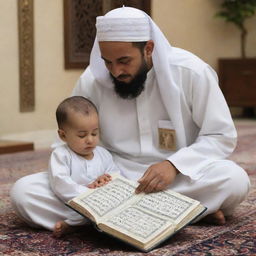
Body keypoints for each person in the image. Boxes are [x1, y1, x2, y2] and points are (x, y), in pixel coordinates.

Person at [11, 6, 250, 231]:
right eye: (108, 62)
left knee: (233, 180)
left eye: (124, 61)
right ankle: (183, 214)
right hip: (110, 180)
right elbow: (70, 135)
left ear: (148, 48)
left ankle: (98, 221)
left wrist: (174, 165)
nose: (115, 71)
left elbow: (220, 136)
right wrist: (91, 180)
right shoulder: (93, 78)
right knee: (24, 192)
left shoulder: (191, 73)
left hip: (174, 178)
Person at [11, 96, 120, 237]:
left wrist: (106, 179)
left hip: (99, 204)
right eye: (82, 135)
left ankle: (74, 223)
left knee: (116, 204)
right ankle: (80, 222)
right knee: (21, 191)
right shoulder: (61, 154)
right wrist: (87, 195)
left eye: (94, 133)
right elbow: (61, 185)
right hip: (70, 201)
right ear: (63, 135)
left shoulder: (103, 154)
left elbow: (115, 176)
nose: (90, 140)